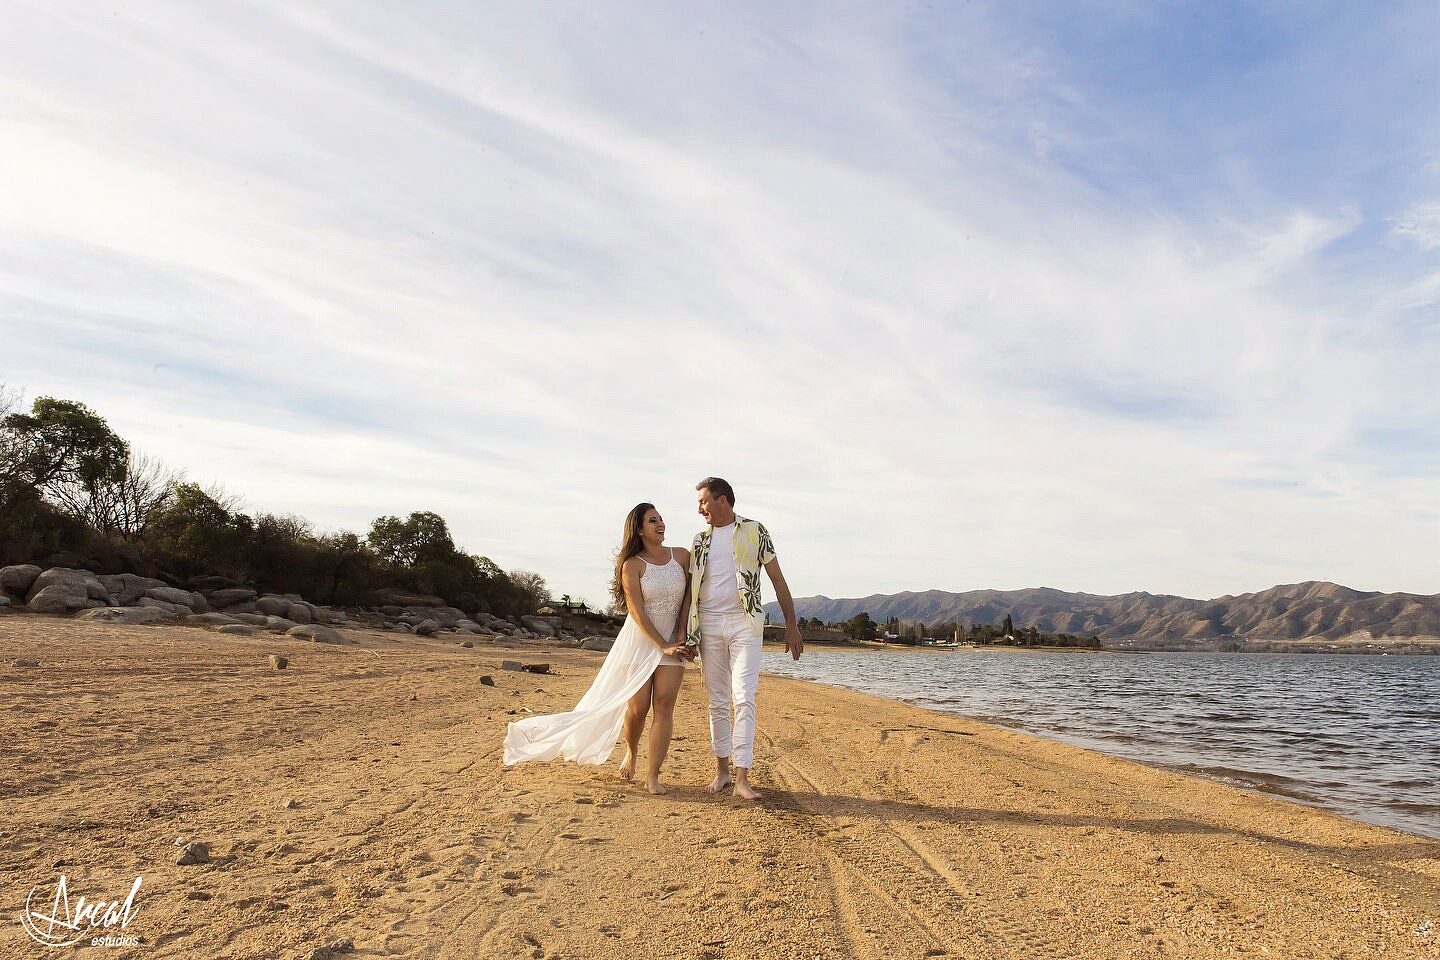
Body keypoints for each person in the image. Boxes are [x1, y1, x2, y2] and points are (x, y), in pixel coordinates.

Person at [503, 503, 693, 795]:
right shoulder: (632, 565)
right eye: (653, 520)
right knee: (638, 708)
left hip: (673, 640)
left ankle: (652, 775)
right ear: (639, 529)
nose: (661, 524)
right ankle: (631, 751)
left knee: (664, 706)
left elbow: (689, 599)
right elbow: (637, 612)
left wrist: (679, 636)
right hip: (641, 642)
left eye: (661, 519)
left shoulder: (680, 556)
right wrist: (661, 644)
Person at [685, 477, 802, 801]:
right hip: (708, 624)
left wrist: (791, 625)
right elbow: (691, 589)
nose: (699, 509)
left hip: (745, 624)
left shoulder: (755, 531)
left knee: (744, 696)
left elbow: (778, 579)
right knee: (718, 701)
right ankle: (722, 771)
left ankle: (742, 778)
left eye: (703, 502)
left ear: (723, 500)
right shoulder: (700, 541)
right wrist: (688, 632)